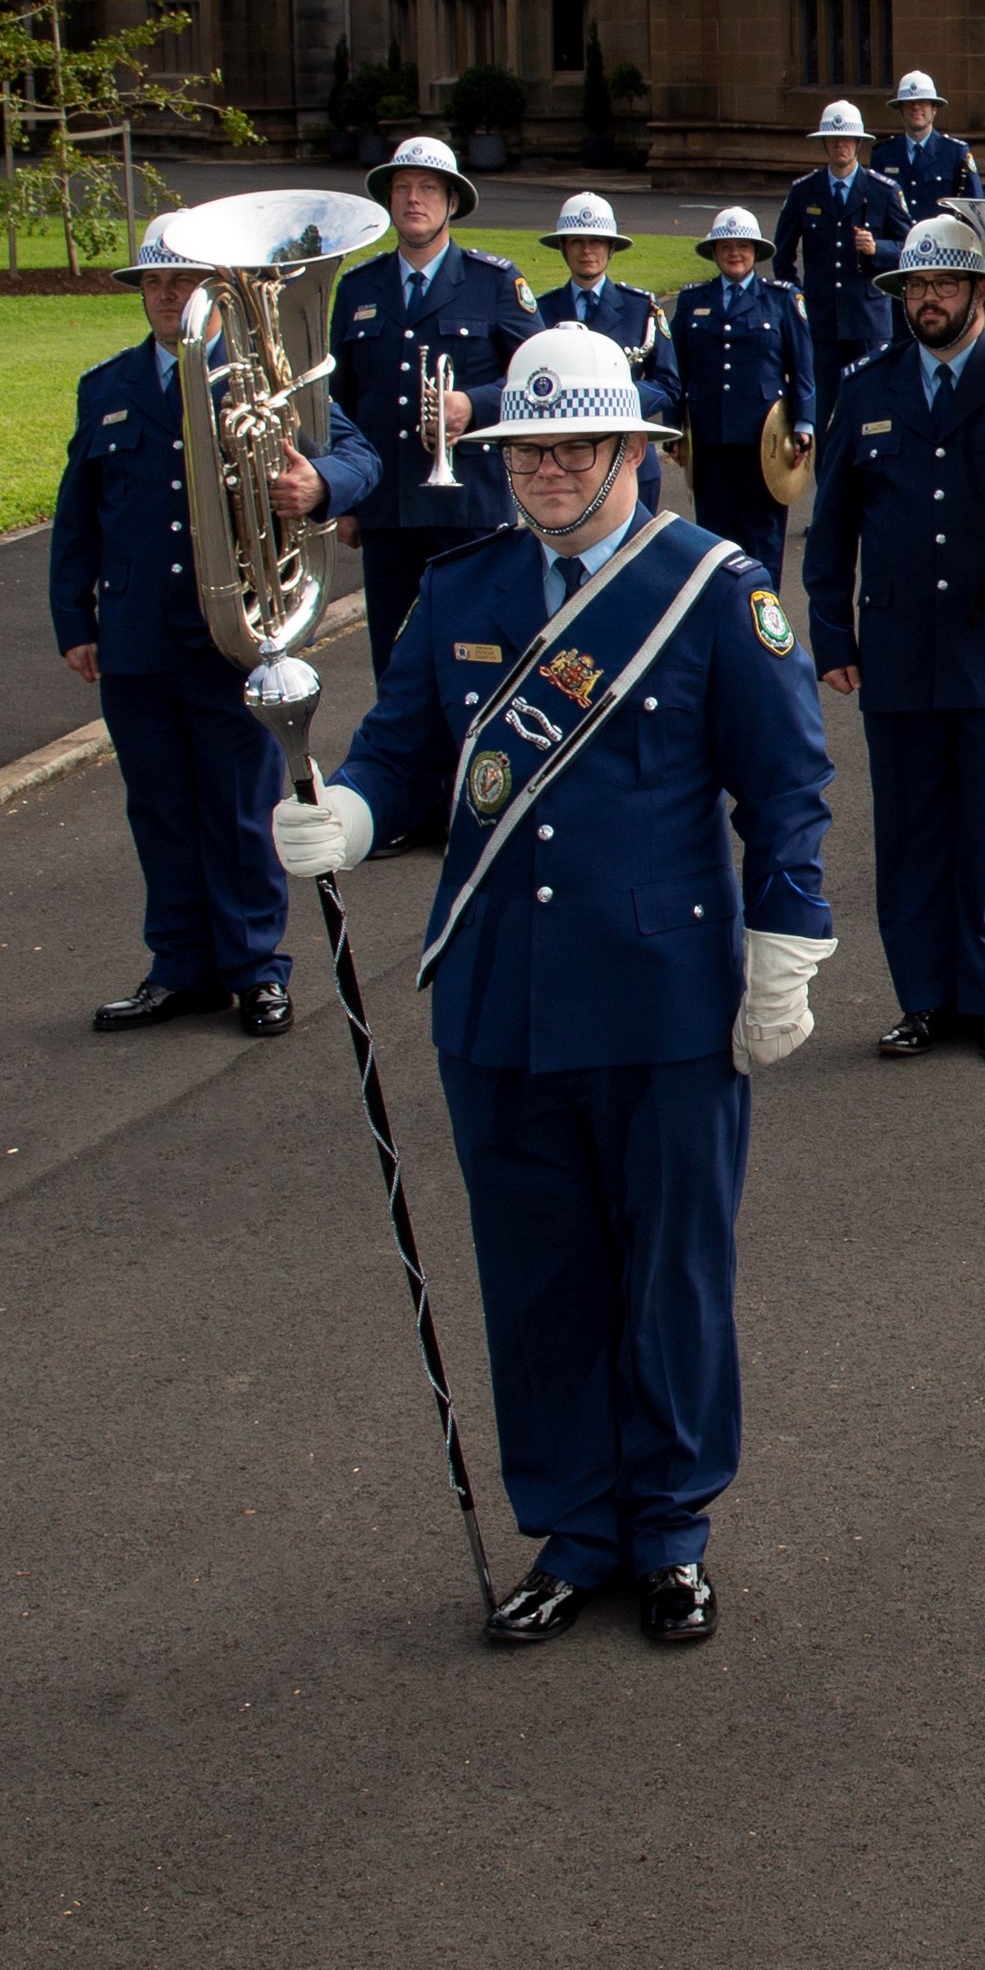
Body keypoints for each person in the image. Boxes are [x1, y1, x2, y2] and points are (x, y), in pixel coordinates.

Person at [270, 322, 835, 1648]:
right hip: (500, 1000)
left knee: (669, 1275)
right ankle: (575, 1529)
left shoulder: (709, 589)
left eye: (579, 445)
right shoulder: (463, 592)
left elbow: (788, 784)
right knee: (536, 1280)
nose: (552, 470)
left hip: (661, 998)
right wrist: (345, 813)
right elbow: (402, 749)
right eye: (529, 449)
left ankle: (674, 1529)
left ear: (634, 450)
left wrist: (786, 941)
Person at [51, 213, 382, 1037]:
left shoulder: (259, 377)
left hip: (231, 636)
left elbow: (359, 455)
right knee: (157, 808)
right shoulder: (108, 386)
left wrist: (317, 488)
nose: (168, 295)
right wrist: (73, 618)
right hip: (136, 634)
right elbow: (78, 516)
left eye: (185, 280)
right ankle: (181, 968)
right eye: (154, 282)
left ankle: (255, 968)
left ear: (212, 289)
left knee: (240, 807)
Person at [801, 210, 985, 1062]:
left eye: (945, 284)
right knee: (910, 830)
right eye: (916, 285)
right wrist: (831, 634)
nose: (928, 299)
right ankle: (921, 998)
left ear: (981, 294)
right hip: (899, 646)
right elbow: (831, 525)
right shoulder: (868, 385)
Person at [326, 133, 543, 710]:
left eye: (427, 188)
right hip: (387, 508)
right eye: (402, 188)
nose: (413, 199)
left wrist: (474, 405)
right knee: (395, 667)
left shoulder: (494, 281)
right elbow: (338, 401)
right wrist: (346, 502)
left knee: (477, 659)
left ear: (452, 203)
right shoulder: (356, 288)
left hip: (469, 507)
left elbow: (541, 379)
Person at [669, 207, 816, 591]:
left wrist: (804, 424)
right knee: (715, 537)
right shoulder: (691, 301)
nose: (735, 253)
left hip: (765, 440)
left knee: (763, 535)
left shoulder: (781, 300)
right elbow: (676, 370)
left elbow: (802, 368)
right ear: (714, 252)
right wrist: (672, 428)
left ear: (756, 252)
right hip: (708, 437)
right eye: (726, 247)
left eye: (743, 247)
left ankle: (765, 616)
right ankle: (721, 616)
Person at [775, 100, 913, 426]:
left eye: (847, 139)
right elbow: (782, 256)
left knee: (874, 412)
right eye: (834, 139)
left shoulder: (882, 191)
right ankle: (829, 479)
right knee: (826, 415)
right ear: (824, 142)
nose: (841, 145)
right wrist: (797, 302)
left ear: (859, 143)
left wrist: (877, 248)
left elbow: (912, 247)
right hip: (822, 322)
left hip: (868, 320)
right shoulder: (804, 191)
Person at [545, 194, 676, 515]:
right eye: (577, 242)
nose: (587, 251)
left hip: (628, 459)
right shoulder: (542, 310)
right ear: (563, 248)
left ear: (611, 248)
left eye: (597, 242)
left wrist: (613, 398)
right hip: (563, 464)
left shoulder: (642, 307)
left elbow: (668, 385)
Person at [875, 69, 983, 225]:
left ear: (934, 109)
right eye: (909, 103)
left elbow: (975, 209)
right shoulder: (882, 154)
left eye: (923, 102)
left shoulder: (955, 153)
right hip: (897, 246)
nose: (916, 108)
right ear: (901, 110)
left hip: (942, 245)